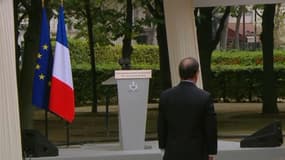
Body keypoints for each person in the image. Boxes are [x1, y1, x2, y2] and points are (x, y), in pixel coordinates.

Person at [157, 57, 217, 160]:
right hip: (197, 153)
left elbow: (161, 125)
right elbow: (210, 128)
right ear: (197, 74)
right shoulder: (204, 97)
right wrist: (211, 152)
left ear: (180, 74)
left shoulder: (165, 96)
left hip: (172, 152)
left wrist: (162, 147)